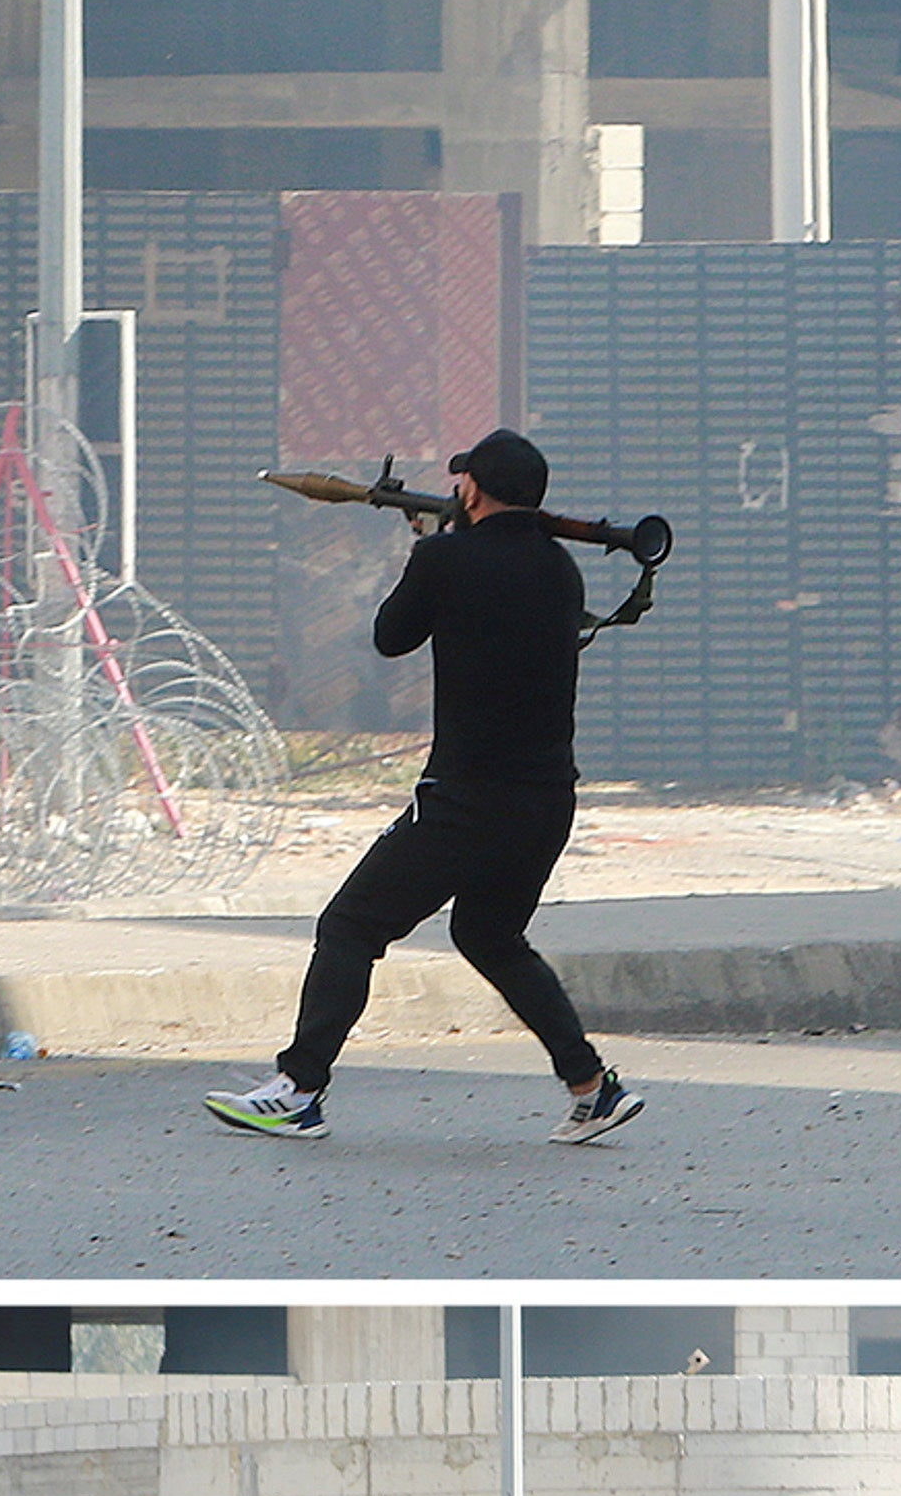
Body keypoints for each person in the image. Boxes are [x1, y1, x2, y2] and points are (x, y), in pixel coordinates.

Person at [208, 427, 648, 1146]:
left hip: (467, 800)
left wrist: (425, 551)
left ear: (471, 488)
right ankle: (592, 1087)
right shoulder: (561, 569)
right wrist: (442, 549)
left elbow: (391, 636)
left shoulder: (444, 557)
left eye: (463, 480)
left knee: (350, 926)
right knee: (490, 935)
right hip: (546, 800)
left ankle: (298, 1089)